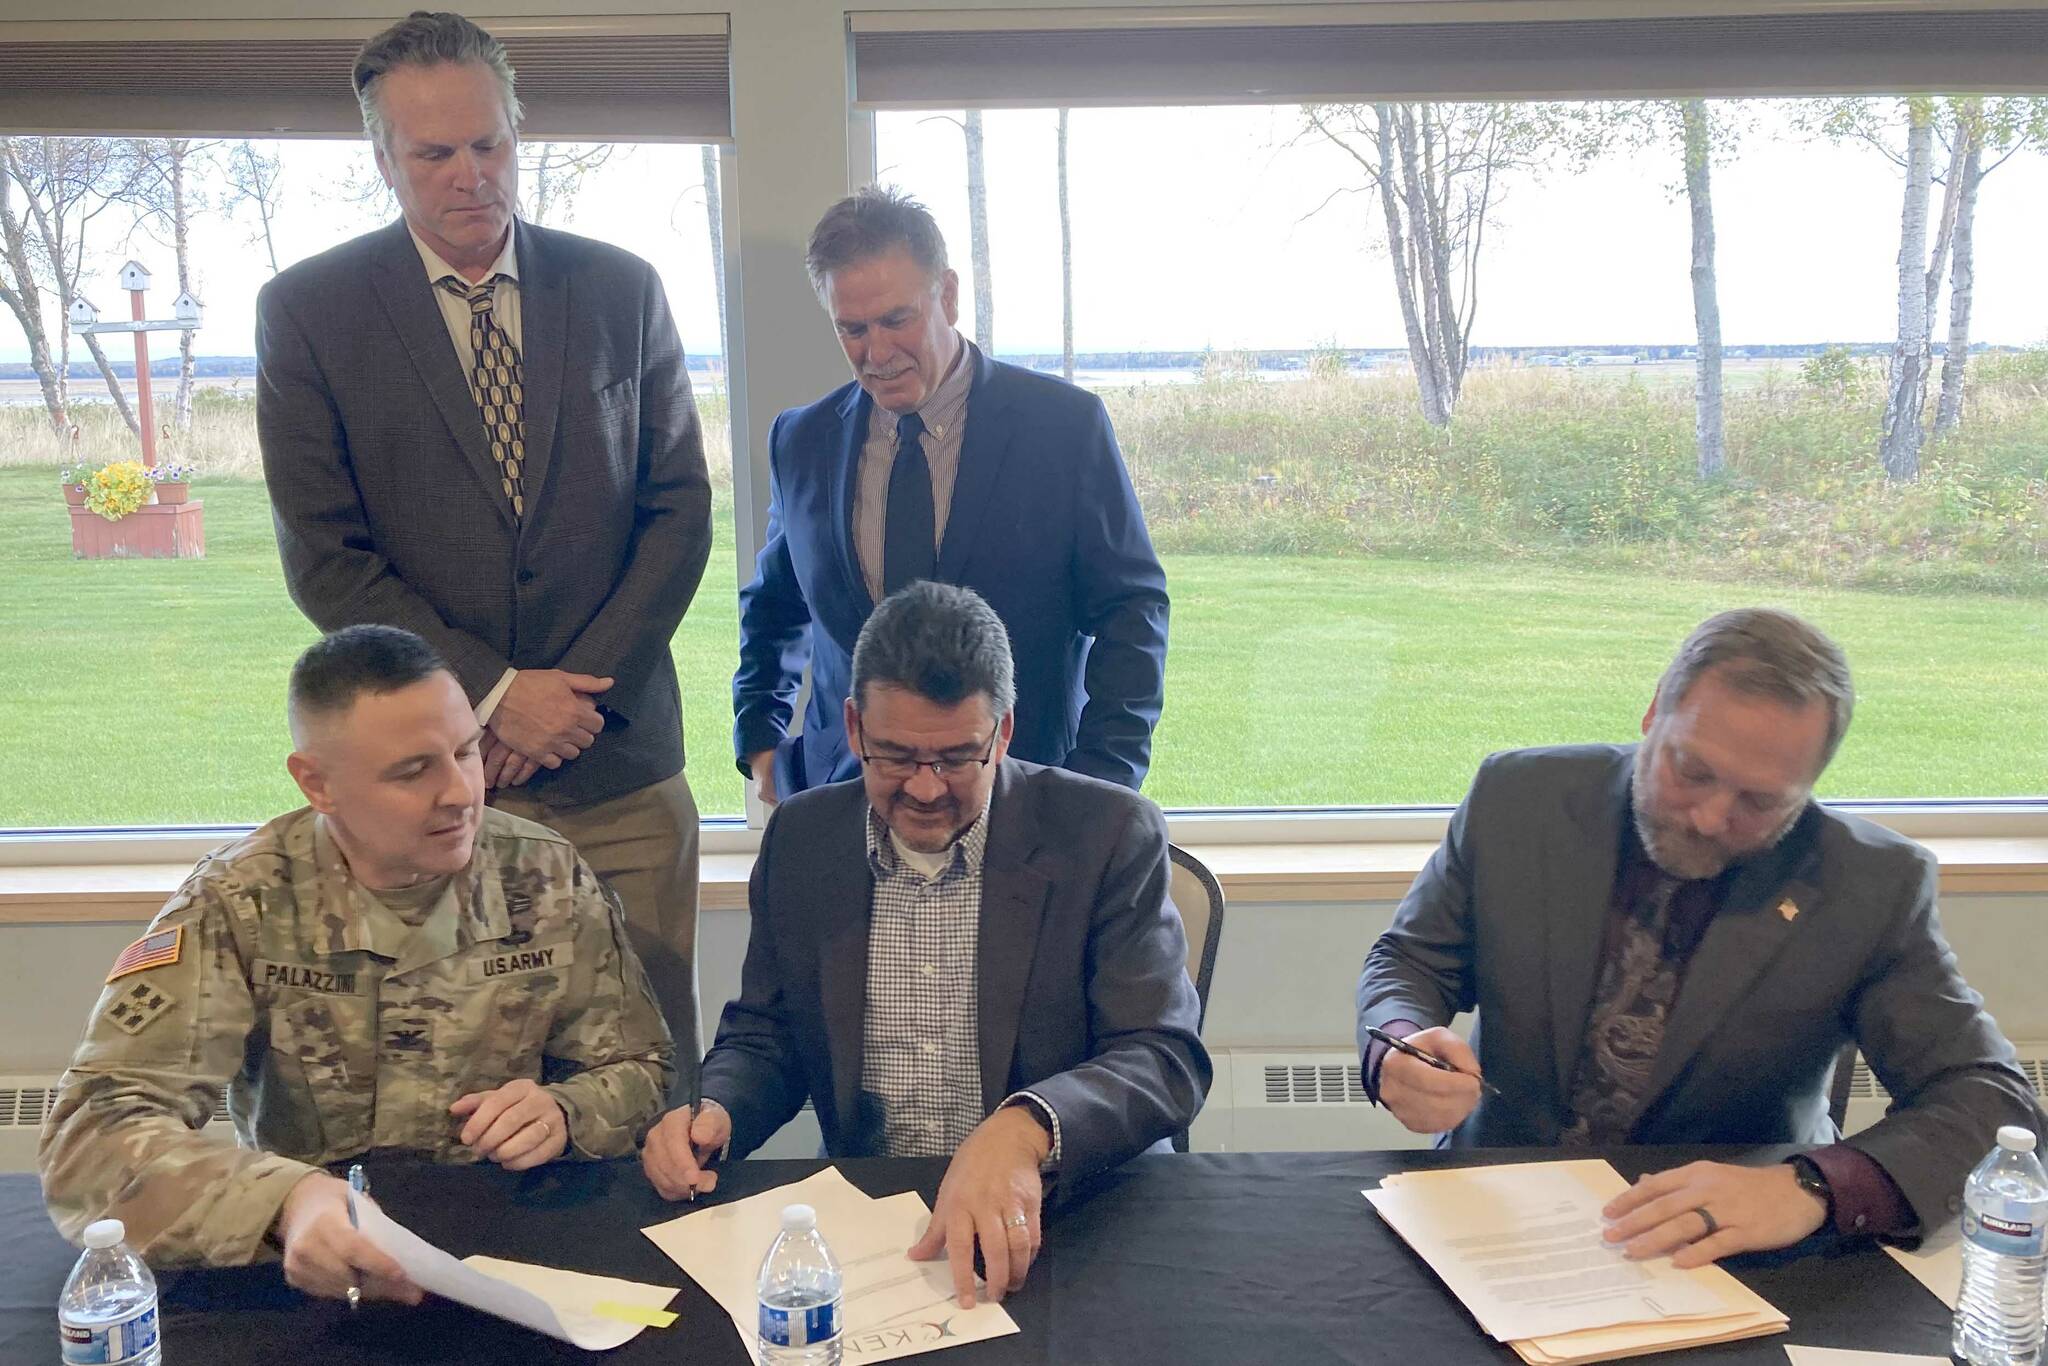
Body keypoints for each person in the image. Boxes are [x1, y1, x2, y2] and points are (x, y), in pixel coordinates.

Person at [256, 11, 713, 1092]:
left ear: (518, 130)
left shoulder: (620, 288)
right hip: (427, 785)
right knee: (459, 1085)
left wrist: (569, 703)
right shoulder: (310, 312)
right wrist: (494, 698)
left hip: (619, 769)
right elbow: (327, 558)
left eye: (490, 144)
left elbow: (678, 511)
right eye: (434, 154)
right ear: (383, 160)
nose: (472, 176)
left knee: (647, 1073)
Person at [1356, 607, 2042, 1267]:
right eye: (1692, 770)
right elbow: (1412, 960)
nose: (1712, 817)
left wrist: (1810, 1187)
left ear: (1810, 786)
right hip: (1499, 1200)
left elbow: (1986, 1097)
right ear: (1654, 712)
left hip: (1729, 1246)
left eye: (1761, 800)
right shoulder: (1521, 797)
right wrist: (1400, 1042)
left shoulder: (1870, 885)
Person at [39, 625, 674, 1293]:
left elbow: (641, 1067)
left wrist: (564, 1112)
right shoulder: (241, 901)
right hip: (314, 1256)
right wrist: (286, 1202)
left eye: (465, 753)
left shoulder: (545, 873)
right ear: (318, 784)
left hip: (512, 1244)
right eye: (412, 771)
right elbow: (92, 1139)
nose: (458, 793)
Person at [649, 582, 1208, 1307]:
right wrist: (717, 1109)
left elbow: (1163, 1056)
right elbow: (770, 1034)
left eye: (955, 759)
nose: (924, 788)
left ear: (1003, 734)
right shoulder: (804, 841)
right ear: (852, 728)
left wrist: (1027, 1126)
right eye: (895, 757)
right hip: (877, 1219)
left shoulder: (1106, 833)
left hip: (1073, 1214)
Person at [733, 186, 1168, 805]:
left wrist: (1101, 781)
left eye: (896, 320)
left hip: (1026, 795)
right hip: (845, 796)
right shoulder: (801, 440)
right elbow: (774, 605)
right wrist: (761, 742)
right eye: (851, 329)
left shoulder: (1063, 428)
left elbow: (1134, 611)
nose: (876, 353)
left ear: (950, 295)